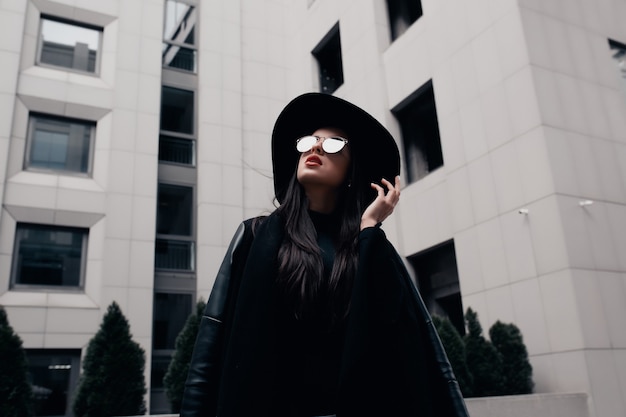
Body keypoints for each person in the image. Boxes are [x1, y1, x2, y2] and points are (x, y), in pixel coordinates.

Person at [180, 93, 469, 417]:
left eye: (333, 144)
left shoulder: (371, 248)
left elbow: (405, 344)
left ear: (351, 172)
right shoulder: (255, 236)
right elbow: (210, 349)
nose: (315, 148)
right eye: (309, 142)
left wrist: (370, 227)